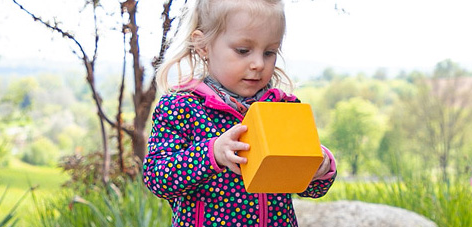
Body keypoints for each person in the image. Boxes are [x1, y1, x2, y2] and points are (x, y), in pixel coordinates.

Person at [143, 0, 337, 226]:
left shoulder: (283, 108)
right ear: (203, 46)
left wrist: (320, 167)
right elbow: (157, 178)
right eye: (243, 51)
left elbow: (309, 189)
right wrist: (211, 154)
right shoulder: (181, 107)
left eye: (269, 52)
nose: (258, 63)